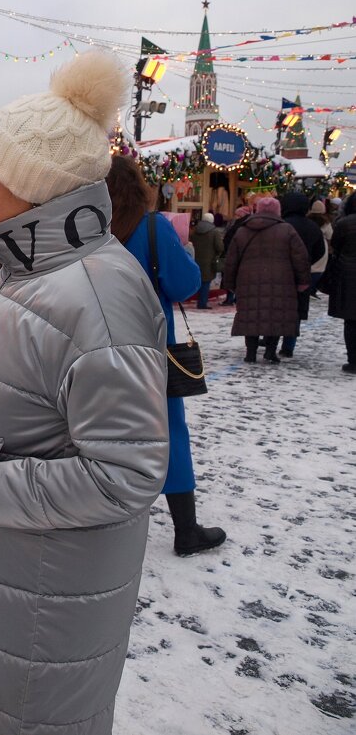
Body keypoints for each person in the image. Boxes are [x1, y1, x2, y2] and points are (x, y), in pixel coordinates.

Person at [0, 51, 170, 735]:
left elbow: (127, 471)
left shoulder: (97, 292)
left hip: (35, 617)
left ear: (35, 183)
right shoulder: (31, 268)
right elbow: (35, 382)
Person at [107, 155, 227, 556]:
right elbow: (182, 285)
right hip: (150, 352)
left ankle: (104, 526)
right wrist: (188, 255)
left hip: (93, 349)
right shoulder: (152, 227)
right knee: (169, 434)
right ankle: (186, 531)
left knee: (101, 431)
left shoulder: (87, 231)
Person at [221, 196, 311, 364]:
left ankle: (250, 352)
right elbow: (301, 258)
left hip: (248, 280)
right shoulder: (287, 230)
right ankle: (270, 351)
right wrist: (303, 281)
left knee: (251, 315)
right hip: (282, 281)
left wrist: (230, 283)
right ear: (278, 211)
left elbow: (231, 259)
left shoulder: (243, 230)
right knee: (276, 315)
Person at [279, 192, 326, 356]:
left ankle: (271, 340)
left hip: (280, 274)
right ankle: (288, 346)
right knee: (295, 312)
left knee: (277, 308)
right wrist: (307, 264)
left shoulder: (281, 224)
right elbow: (321, 251)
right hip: (302, 275)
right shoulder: (313, 227)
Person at [327, 192, 356, 374]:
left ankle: (353, 360)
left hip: (348, 275)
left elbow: (336, 245)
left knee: (351, 321)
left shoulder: (344, 223)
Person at [219, 204, 252, 305]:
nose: (235, 216)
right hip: (238, 254)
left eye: (237, 214)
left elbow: (232, 239)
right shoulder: (242, 224)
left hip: (233, 254)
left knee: (232, 275)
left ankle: (230, 298)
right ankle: (234, 298)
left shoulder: (239, 225)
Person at [190, 211, 224, 308]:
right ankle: (202, 303)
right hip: (209, 260)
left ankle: (199, 301)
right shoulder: (214, 232)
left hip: (196, 258)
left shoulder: (195, 230)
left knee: (199, 280)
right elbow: (219, 247)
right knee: (206, 282)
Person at [305, 198, 333, 297]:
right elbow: (330, 236)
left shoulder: (307, 221)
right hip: (322, 248)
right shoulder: (326, 222)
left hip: (308, 246)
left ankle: (308, 287)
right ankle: (312, 287)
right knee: (318, 269)